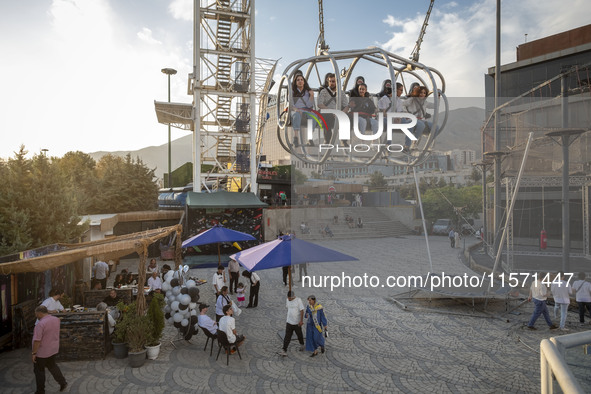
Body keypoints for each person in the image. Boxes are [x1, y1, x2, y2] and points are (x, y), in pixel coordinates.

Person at [32, 306, 68, 393]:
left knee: (39, 371)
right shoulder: (56, 319)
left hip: (42, 352)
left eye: (36, 314)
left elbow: (37, 340)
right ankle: (62, 382)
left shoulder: (40, 324)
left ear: (40, 313)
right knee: (52, 366)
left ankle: (40, 391)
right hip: (53, 349)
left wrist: (34, 353)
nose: (36, 316)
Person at [317, 72, 350, 144]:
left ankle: (344, 140)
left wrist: (340, 113)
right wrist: (332, 111)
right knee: (326, 116)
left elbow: (346, 106)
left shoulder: (341, 93)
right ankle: (327, 139)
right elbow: (320, 104)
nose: (332, 83)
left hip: (337, 112)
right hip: (327, 111)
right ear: (328, 82)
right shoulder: (324, 91)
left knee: (346, 117)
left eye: (333, 81)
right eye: (330, 81)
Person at [290, 74, 315, 147]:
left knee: (313, 116)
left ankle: (310, 138)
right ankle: (296, 137)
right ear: (295, 82)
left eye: (301, 80)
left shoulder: (307, 92)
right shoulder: (293, 91)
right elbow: (291, 103)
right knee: (296, 115)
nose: (300, 81)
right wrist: (296, 109)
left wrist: (312, 96)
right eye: (298, 80)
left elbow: (309, 105)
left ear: (304, 82)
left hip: (305, 110)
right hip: (295, 110)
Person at [279, 291, 305, 356]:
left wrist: (301, 320)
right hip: (289, 322)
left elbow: (302, 310)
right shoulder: (287, 300)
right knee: (287, 336)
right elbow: (288, 308)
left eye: (289, 298)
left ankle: (302, 344)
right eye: (288, 297)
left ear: (293, 297)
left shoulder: (298, 300)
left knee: (299, 334)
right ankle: (284, 349)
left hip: (296, 322)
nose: (288, 299)